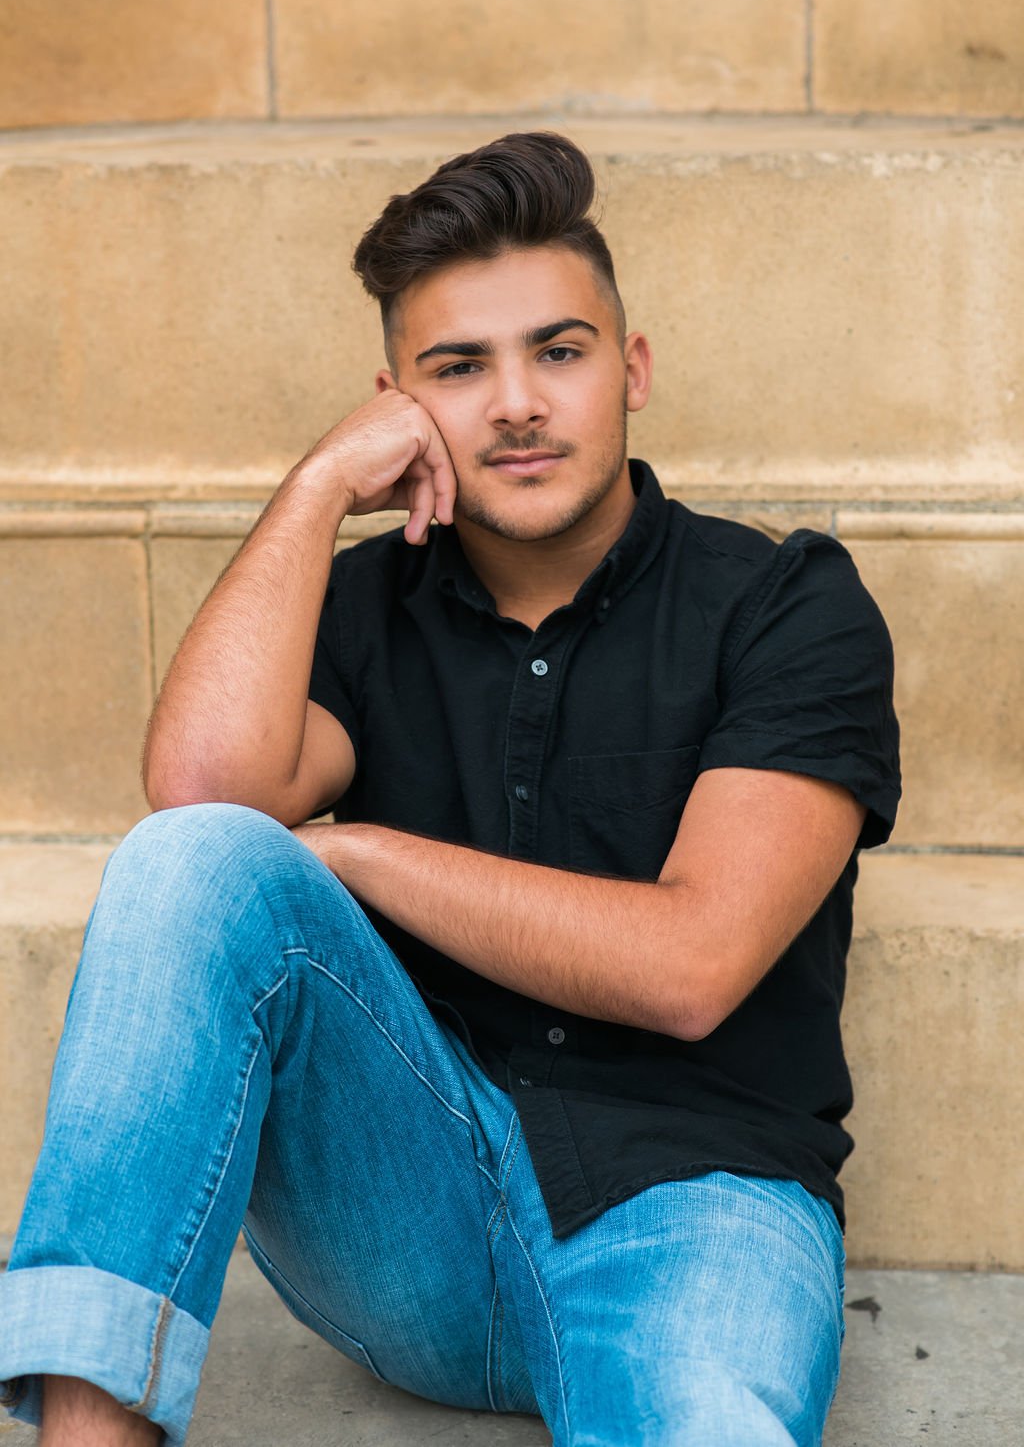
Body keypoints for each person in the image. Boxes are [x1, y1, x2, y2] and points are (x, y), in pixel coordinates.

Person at [0, 132, 900, 1447]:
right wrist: (317, 489)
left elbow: (692, 961)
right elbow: (201, 801)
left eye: (560, 349)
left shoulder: (780, 607)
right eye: (458, 368)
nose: (518, 402)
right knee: (190, 857)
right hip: (407, 1205)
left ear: (631, 369)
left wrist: (356, 853)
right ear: (395, 401)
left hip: (699, 1202)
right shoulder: (362, 609)